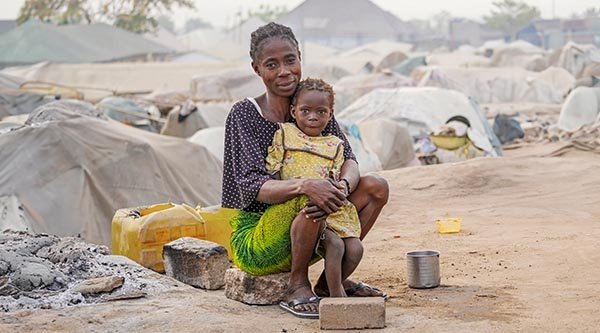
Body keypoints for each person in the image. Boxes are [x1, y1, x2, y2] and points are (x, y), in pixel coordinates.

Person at [222, 22, 389, 319]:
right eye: (271, 64)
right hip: (257, 236)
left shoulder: (312, 103)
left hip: (315, 224)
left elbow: (348, 159)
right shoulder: (245, 114)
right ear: (256, 69)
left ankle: (330, 282)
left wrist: (344, 186)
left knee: (376, 186)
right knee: (311, 193)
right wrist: (305, 185)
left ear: (300, 57)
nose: (284, 71)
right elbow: (251, 186)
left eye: (290, 60)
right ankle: (297, 285)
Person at [265, 77, 363, 302]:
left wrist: (340, 188)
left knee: (355, 250)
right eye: (305, 110)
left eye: (321, 112)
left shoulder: (334, 145)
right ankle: (337, 299)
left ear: (330, 114)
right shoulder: (284, 134)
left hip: (329, 209)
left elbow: (338, 175)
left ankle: (326, 288)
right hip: (301, 209)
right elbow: (274, 171)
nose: (312, 117)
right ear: (293, 110)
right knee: (336, 245)